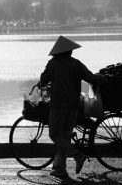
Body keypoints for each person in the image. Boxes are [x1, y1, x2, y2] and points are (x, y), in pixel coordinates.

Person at [38, 35, 108, 178]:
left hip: (58, 106)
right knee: (64, 137)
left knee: (54, 135)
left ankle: (77, 155)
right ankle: (60, 169)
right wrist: (105, 79)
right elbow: (92, 78)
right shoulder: (76, 64)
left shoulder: (53, 64)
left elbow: (43, 80)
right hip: (73, 106)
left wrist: (44, 80)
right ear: (69, 52)